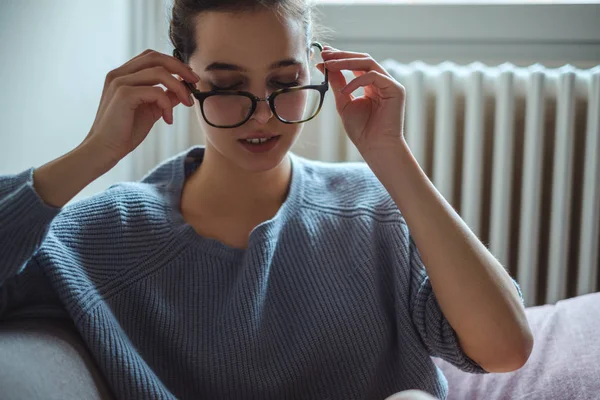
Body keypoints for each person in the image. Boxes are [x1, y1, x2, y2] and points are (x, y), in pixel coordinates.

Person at [0, 0, 533, 399]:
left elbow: (506, 348)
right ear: (182, 79)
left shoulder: (370, 210)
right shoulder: (108, 233)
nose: (262, 113)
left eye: (285, 81)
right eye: (229, 85)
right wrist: (95, 152)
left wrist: (391, 157)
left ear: (315, 71)